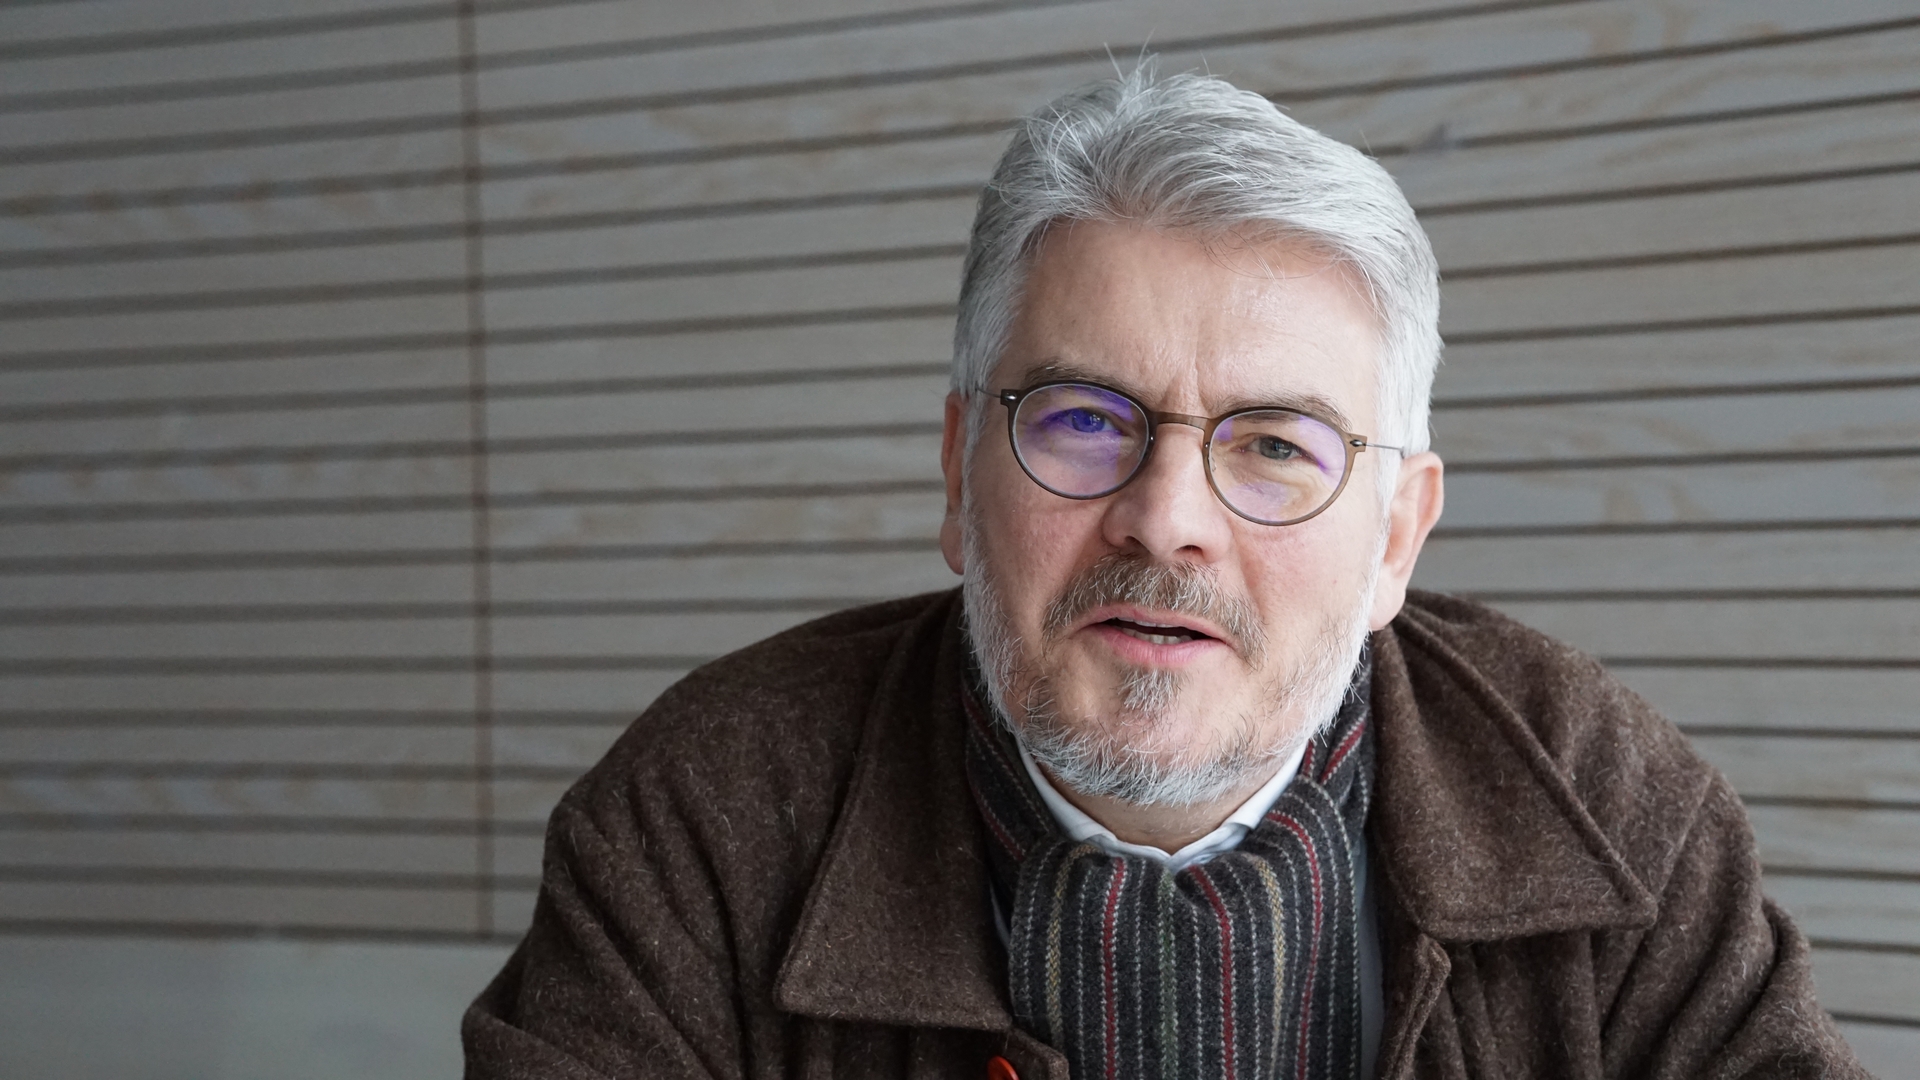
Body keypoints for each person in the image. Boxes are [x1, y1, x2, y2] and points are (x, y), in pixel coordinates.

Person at [463, 68, 1869, 1080]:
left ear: (1395, 534)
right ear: (961, 473)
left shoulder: (1615, 805)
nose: (1166, 519)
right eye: (1086, 421)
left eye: (1272, 445)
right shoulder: (695, 820)